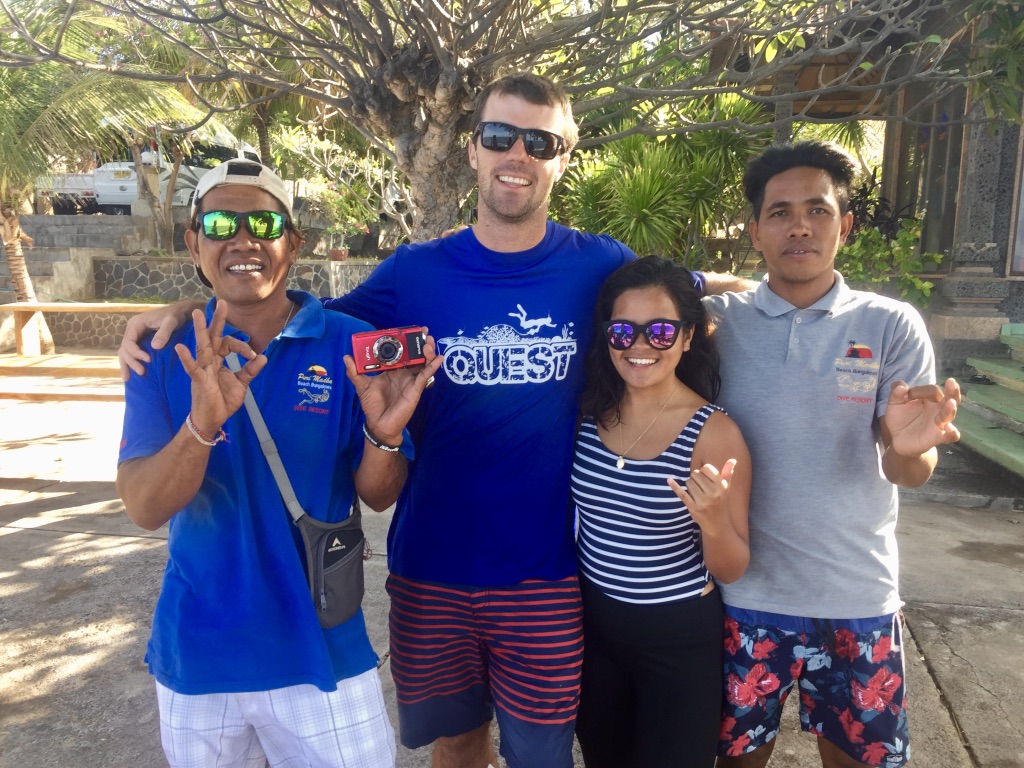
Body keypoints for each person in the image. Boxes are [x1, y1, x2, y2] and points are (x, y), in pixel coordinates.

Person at [116, 74, 747, 768]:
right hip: (430, 570)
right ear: (474, 149)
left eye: (540, 142)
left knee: (541, 753)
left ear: (563, 158)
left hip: (543, 573)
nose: (518, 154)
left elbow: (674, 298)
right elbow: (289, 314)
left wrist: (776, 293)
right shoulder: (413, 272)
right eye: (500, 136)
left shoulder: (597, 264)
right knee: (458, 743)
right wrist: (191, 306)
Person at [116, 158, 441, 768]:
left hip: (324, 651)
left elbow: (378, 495)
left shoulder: (348, 342)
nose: (243, 239)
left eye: (264, 224)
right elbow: (144, 507)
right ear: (193, 242)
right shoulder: (162, 352)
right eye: (220, 224)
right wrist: (200, 427)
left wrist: (384, 436)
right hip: (201, 656)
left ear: (293, 243)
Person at [706, 141, 961, 768]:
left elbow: (908, 470)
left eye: (817, 210)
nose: (799, 226)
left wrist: (909, 448)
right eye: (780, 212)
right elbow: (643, 300)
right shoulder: (714, 324)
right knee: (733, 761)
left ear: (844, 226)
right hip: (743, 595)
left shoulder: (890, 324)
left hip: (856, 595)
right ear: (755, 231)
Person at [570, 255, 751, 768]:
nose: (641, 345)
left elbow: (733, 566)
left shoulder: (713, 433)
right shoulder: (589, 414)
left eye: (661, 331)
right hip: (595, 628)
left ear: (688, 337)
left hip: (677, 639)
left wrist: (712, 521)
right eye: (623, 331)